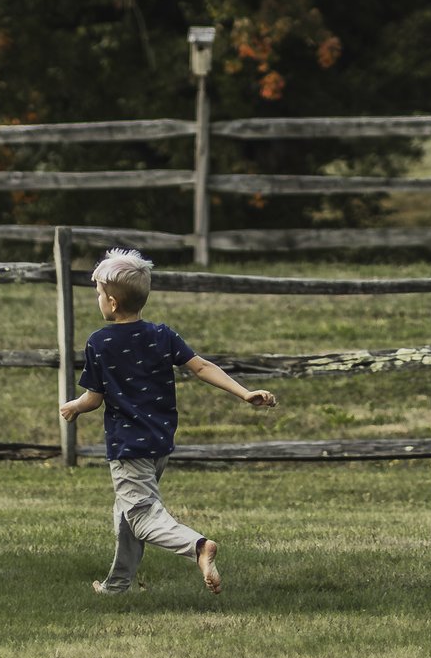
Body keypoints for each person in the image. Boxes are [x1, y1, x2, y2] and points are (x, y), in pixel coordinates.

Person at [57, 247, 275, 595]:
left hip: (128, 447)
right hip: (159, 442)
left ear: (112, 303)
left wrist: (73, 408)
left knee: (141, 517)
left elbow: (94, 399)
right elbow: (202, 367)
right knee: (127, 513)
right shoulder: (162, 334)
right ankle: (118, 585)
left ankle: (198, 546)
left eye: (98, 293)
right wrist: (244, 392)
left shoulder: (99, 343)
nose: (97, 299)